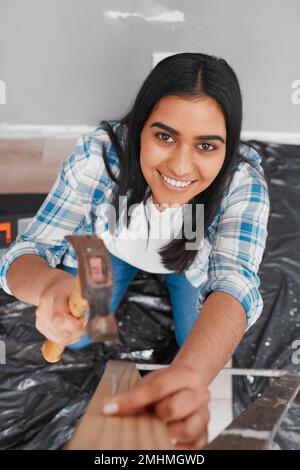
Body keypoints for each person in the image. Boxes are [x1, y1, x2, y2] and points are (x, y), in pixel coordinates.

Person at [0, 52, 270, 449]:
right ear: (139, 127)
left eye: (206, 146)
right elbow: (30, 248)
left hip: (190, 263)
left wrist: (190, 375)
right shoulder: (99, 156)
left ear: (226, 149)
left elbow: (234, 282)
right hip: (105, 251)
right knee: (76, 334)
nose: (180, 166)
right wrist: (48, 285)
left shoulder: (242, 181)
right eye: (165, 136)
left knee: (198, 343)